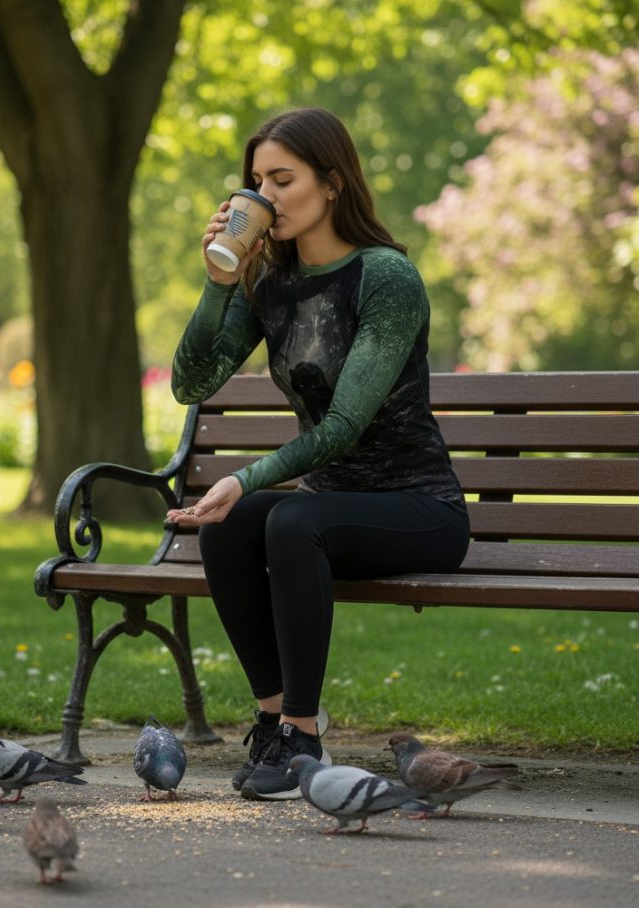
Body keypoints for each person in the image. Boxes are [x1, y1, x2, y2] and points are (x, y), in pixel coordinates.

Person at [165, 107, 470, 801]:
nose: (265, 198)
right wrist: (218, 283)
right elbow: (192, 382)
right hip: (332, 510)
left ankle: (304, 735)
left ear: (332, 184)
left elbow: (342, 427)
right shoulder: (271, 283)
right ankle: (273, 720)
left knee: (287, 519)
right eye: (255, 183)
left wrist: (245, 477)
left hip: (417, 508)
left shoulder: (385, 279)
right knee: (234, 525)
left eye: (283, 179)